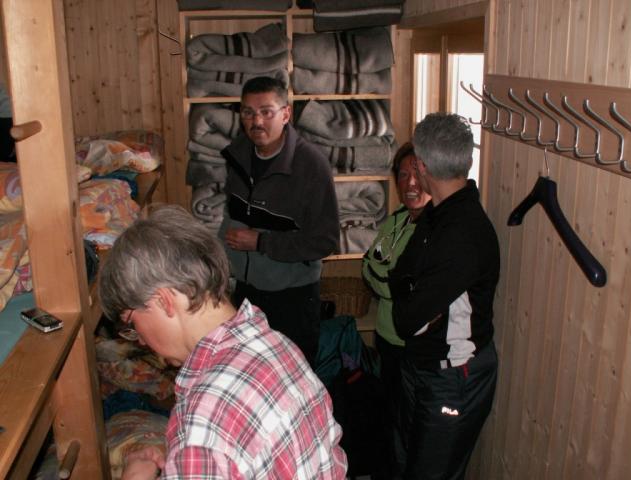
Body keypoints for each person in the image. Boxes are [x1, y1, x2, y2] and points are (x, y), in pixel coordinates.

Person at [99, 205, 347, 480]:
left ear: (164, 301)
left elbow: (214, 440)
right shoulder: (275, 344)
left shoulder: (206, 419)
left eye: (132, 323)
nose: (142, 341)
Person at [389, 113, 500, 480]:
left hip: (453, 378)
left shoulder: (463, 234)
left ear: (421, 166)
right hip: (421, 366)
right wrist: (413, 295)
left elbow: (406, 320)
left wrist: (412, 295)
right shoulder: (435, 214)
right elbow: (398, 275)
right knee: (404, 465)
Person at [220, 76, 339, 366]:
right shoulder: (237, 155)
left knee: (294, 376)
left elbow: (325, 241)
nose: (256, 121)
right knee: (248, 373)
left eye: (266, 112)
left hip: (292, 298)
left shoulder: (311, 165)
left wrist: (261, 242)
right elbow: (231, 214)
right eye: (248, 112)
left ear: (286, 114)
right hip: (246, 293)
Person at [361, 142, 430, 475]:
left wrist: (384, 276)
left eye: (417, 174)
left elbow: (396, 285)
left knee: (406, 433)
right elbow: (368, 267)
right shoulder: (398, 218)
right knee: (387, 423)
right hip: (386, 338)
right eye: (403, 175)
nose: (410, 183)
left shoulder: (433, 230)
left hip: (411, 349)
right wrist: (385, 277)